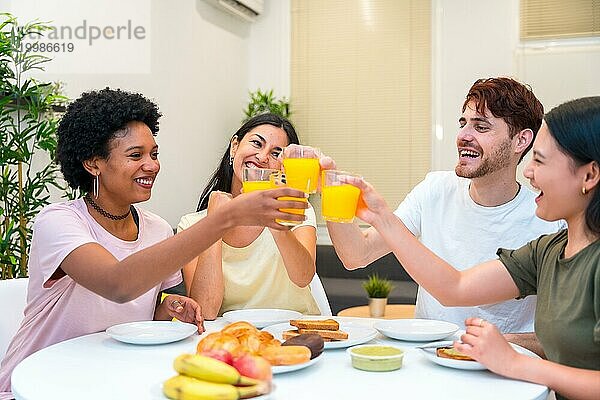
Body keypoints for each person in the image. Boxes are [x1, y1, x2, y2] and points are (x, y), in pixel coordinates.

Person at [0, 89, 307, 400]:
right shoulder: (59, 221)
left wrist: (166, 307)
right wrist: (222, 219)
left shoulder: (157, 228)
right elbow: (117, 283)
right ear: (93, 164)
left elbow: (130, 313)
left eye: (154, 154)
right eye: (136, 155)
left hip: (104, 378)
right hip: (33, 385)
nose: (152, 166)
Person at [327, 96, 600, 400]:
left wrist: (510, 357)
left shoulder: (566, 241)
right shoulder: (547, 250)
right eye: (463, 123)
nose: (529, 171)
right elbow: (455, 287)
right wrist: (380, 217)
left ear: (589, 176)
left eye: (540, 160)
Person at [326, 77, 563, 355]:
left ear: (521, 140)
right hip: (428, 364)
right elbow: (356, 254)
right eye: (463, 123)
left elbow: (562, 338)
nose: (464, 135)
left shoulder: (549, 217)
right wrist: (331, 192)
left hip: (505, 374)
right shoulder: (435, 189)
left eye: (481, 126)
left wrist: (484, 344)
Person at [178, 113, 320, 319]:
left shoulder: (298, 210)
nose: (263, 157)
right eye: (256, 143)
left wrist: (273, 217)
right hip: (232, 337)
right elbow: (206, 311)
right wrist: (215, 221)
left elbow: (303, 278)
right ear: (235, 146)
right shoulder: (193, 224)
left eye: (276, 153)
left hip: (294, 333)